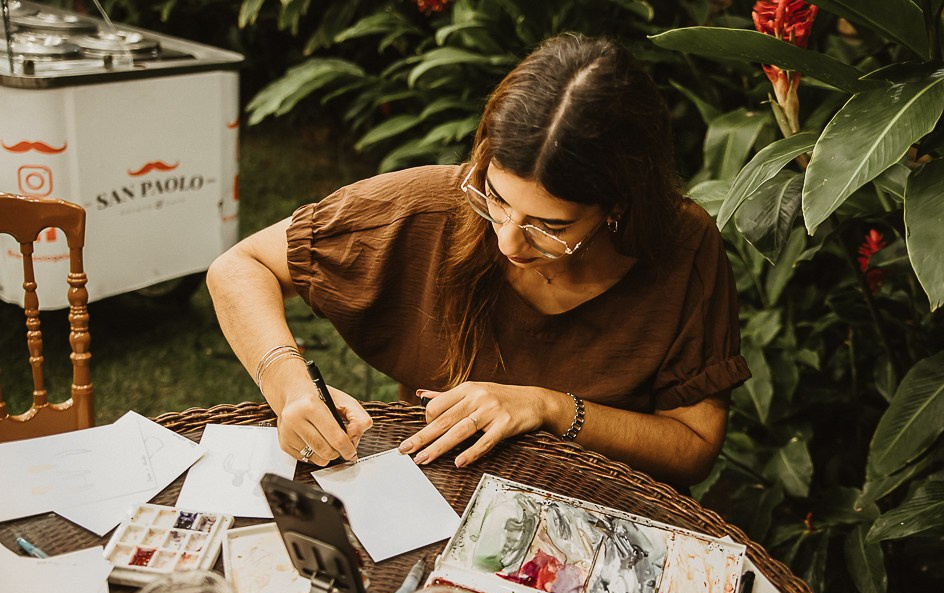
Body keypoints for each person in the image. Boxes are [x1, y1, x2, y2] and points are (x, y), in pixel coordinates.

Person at [207, 33, 750, 486]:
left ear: (619, 207)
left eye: (550, 226)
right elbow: (239, 267)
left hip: (600, 507)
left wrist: (551, 408)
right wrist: (289, 385)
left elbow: (693, 446)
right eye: (495, 199)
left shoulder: (681, 246)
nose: (509, 244)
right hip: (436, 489)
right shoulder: (426, 207)